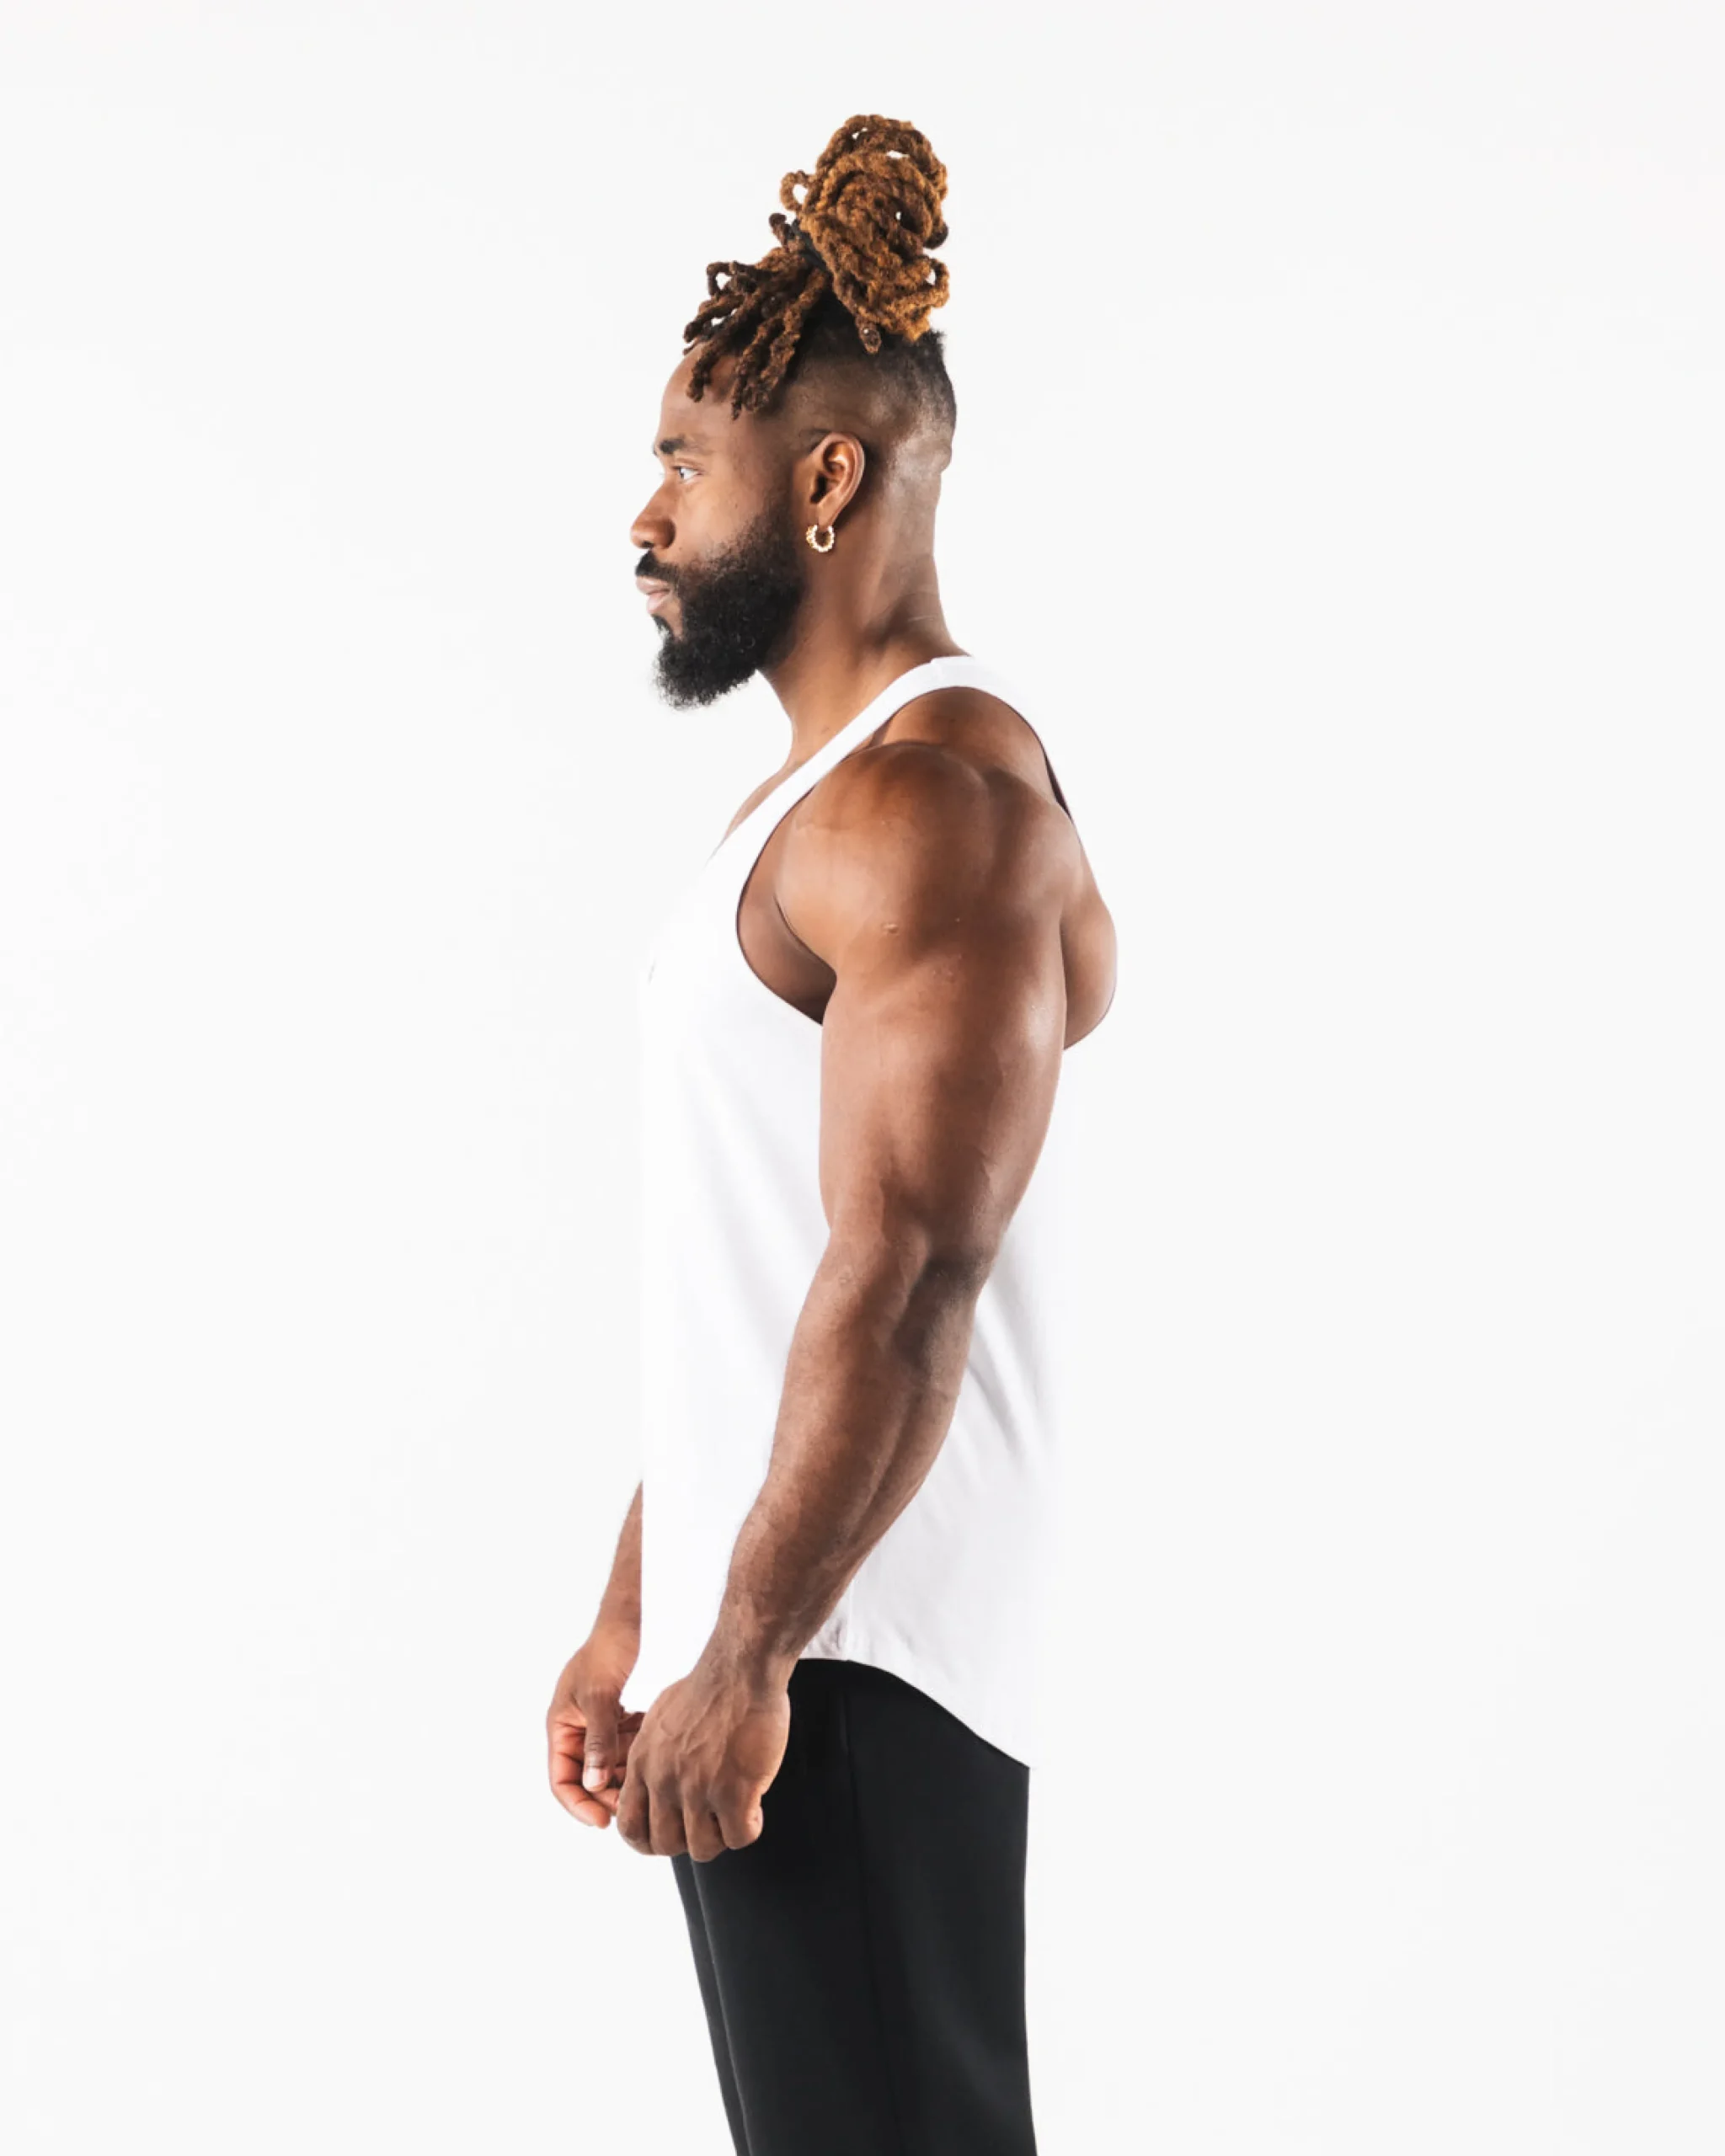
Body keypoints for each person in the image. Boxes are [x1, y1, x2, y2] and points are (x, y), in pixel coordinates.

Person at [545, 112, 1117, 2155]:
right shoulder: (815, 808)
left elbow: (906, 1273)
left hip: (855, 1653)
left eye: (682, 466)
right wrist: (646, 1601)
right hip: (788, 1625)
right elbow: (769, 1266)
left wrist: (756, 1643)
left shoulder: (932, 804)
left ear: (824, 482)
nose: (644, 516)